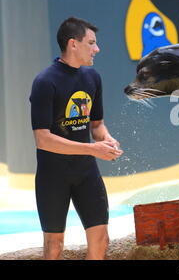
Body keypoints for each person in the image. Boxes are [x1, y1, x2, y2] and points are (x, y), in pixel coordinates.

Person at [29, 17, 123, 260]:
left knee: (101, 239)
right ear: (73, 44)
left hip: (86, 172)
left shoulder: (93, 78)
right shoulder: (45, 82)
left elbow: (97, 125)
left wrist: (107, 140)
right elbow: (43, 139)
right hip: (53, 175)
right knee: (54, 247)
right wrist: (93, 149)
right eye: (91, 43)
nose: (97, 49)